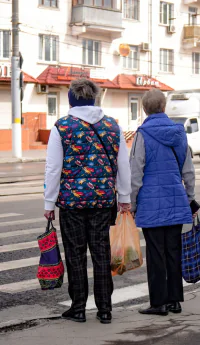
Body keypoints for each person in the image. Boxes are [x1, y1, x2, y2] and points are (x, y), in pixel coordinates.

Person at [43, 79, 131, 324]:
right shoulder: (113, 126)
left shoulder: (62, 126)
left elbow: (53, 168)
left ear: (71, 99)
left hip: (71, 203)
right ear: (94, 98)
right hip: (104, 201)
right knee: (102, 254)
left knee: (75, 254)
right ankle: (105, 309)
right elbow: (123, 164)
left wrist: (49, 203)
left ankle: (78, 308)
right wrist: (124, 197)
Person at [130, 89, 196, 316]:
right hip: (176, 199)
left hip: (150, 204)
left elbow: (135, 173)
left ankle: (158, 303)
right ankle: (175, 301)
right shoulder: (179, 133)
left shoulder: (142, 134)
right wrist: (189, 197)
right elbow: (188, 169)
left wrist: (132, 203)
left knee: (156, 254)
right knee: (173, 251)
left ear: (144, 109)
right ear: (163, 107)